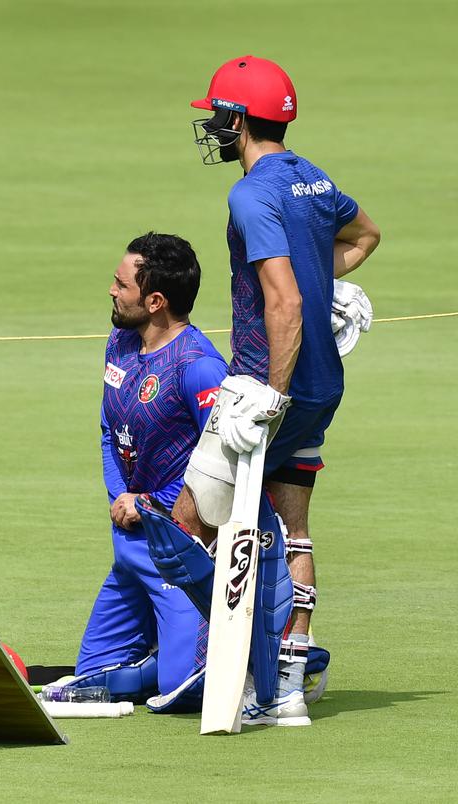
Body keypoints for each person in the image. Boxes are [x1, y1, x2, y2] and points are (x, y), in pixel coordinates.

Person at [152, 55, 380, 725]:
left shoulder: (250, 194)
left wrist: (267, 394)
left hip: (264, 386)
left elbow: (280, 301)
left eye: (218, 114)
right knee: (295, 528)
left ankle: (245, 668)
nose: (213, 126)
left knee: (191, 523)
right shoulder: (312, 177)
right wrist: (320, 282)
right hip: (323, 385)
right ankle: (288, 687)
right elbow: (365, 234)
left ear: (238, 120)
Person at [67, 234, 226, 711]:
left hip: (180, 554)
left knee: (181, 689)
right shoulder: (119, 342)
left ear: (155, 301)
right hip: (131, 546)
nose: (112, 291)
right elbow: (107, 430)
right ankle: (165, 643)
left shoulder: (199, 368)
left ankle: (268, 654)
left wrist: (151, 504)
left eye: (121, 284)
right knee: (93, 679)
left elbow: (221, 461)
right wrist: (122, 498)